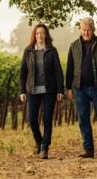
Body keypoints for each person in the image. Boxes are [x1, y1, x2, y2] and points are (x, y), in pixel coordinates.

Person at [66, 16, 97, 158]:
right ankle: (88, 149)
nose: (86, 33)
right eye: (83, 30)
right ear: (80, 30)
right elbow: (70, 68)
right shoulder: (73, 46)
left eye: (89, 30)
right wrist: (68, 88)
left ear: (93, 30)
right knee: (83, 118)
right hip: (80, 88)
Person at [19, 23, 64, 159]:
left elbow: (58, 72)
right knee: (32, 119)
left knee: (47, 119)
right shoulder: (28, 51)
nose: (40, 35)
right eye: (37, 33)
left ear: (46, 35)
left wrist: (60, 90)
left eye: (42, 33)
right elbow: (23, 73)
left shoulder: (52, 51)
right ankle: (39, 142)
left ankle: (45, 147)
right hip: (32, 90)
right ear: (34, 35)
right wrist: (22, 91)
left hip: (49, 90)